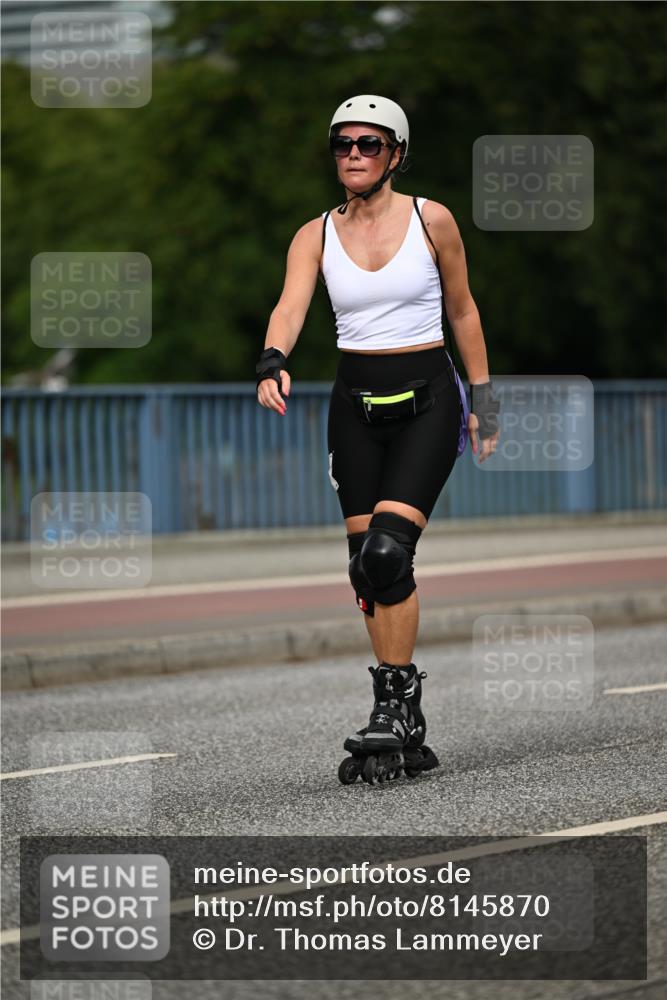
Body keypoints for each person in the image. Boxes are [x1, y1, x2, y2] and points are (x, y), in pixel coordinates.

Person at [256, 95, 500, 783]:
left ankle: (395, 709)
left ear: (395, 153)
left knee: (391, 553)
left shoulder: (432, 219)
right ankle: (397, 710)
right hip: (352, 404)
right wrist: (272, 359)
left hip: (427, 399)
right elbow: (290, 304)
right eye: (342, 144)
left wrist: (483, 398)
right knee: (366, 565)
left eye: (369, 143)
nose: (354, 155)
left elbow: (461, 307)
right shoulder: (314, 234)